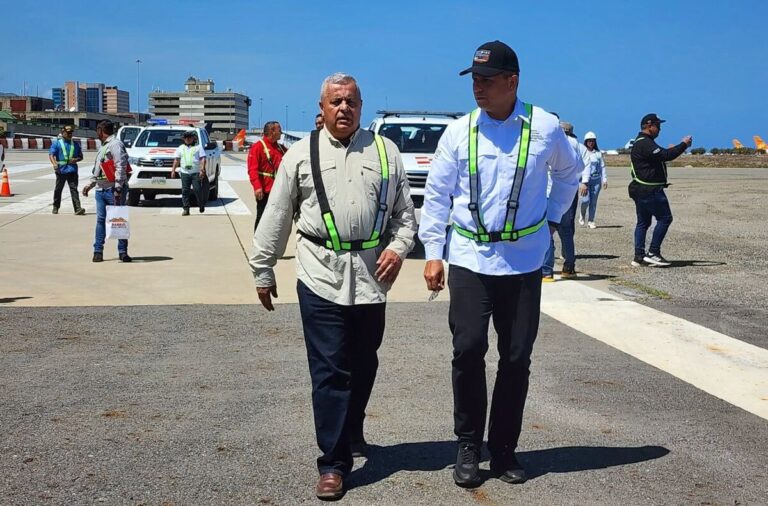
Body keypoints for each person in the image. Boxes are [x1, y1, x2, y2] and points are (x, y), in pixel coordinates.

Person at [419, 41, 581, 488]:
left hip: (524, 262)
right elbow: (436, 196)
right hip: (469, 259)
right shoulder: (458, 132)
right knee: (468, 349)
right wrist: (434, 251)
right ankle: (468, 443)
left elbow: (570, 174)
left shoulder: (545, 128)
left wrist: (551, 218)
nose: (478, 88)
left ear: (513, 82)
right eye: (473, 79)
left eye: (487, 80)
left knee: (515, 357)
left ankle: (504, 448)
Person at [250, 72, 416, 500]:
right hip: (319, 275)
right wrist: (262, 268)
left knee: (364, 363)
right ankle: (333, 463)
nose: (344, 108)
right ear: (321, 109)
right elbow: (277, 215)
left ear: (361, 107)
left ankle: (351, 425)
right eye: (336, 102)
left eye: (352, 102)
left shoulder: (386, 152)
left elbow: (404, 215)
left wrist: (397, 249)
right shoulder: (300, 155)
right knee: (329, 372)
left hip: (371, 278)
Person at [629, 113, 691, 267]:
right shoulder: (645, 143)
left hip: (641, 189)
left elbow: (662, 155)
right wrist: (683, 144)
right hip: (649, 190)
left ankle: (639, 256)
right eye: (658, 126)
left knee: (643, 223)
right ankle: (653, 253)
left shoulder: (644, 142)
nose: (660, 129)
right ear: (649, 126)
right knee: (665, 218)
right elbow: (666, 155)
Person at [82, 120, 131, 263]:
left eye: (97, 130)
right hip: (101, 189)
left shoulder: (115, 144)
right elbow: (99, 168)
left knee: (119, 220)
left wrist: (118, 187)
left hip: (113, 189)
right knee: (100, 220)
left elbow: (121, 166)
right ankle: (98, 251)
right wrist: (91, 184)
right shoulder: (104, 146)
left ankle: (122, 252)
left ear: (101, 130)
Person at [247, 121, 286, 231]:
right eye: (279, 130)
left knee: (276, 220)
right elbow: (252, 169)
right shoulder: (257, 147)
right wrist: (257, 187)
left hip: (278, 191)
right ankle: (258, 242)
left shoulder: (280, 148)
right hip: (265, 191)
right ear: (272, 131)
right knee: (262, 218)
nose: (281, 133)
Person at [49, 125, 85, 215]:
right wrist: (54, 164)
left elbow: (81, 157)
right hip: (61, 170)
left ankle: (77, 208)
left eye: (71, 133)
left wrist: (76, 160)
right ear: (63, 133)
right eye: (67, 133)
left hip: (72, 170)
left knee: (74, 189)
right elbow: (51, 155)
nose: (69, 134)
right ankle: (56, 206)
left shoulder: (75, 144)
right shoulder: (57, 143)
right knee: (58, 189)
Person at [170, 130, 207, 216]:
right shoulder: (180, 148)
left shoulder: (198, 147)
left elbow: (203, 159)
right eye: (186, 138)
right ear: (183, 139)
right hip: (184, 173)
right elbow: (177, 160)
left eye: (189, 137)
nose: (188, 139)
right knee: (185, 191)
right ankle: (186, 209)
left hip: (196, 172)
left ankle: (201, 204)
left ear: (193, 138)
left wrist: (202, 169)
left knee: (197, 190)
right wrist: (173, 170)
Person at [578, 131, 607, 228]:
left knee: (593, 202)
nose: (591, 143)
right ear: (585, 142)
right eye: (589, 141)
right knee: (585, 200)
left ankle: (591, 220)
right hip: (584, 181)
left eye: (593, 141)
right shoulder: (582, 152)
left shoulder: (598, 154)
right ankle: (582, 215)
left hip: (596, 180)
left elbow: (602, 167)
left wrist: (604, 179)